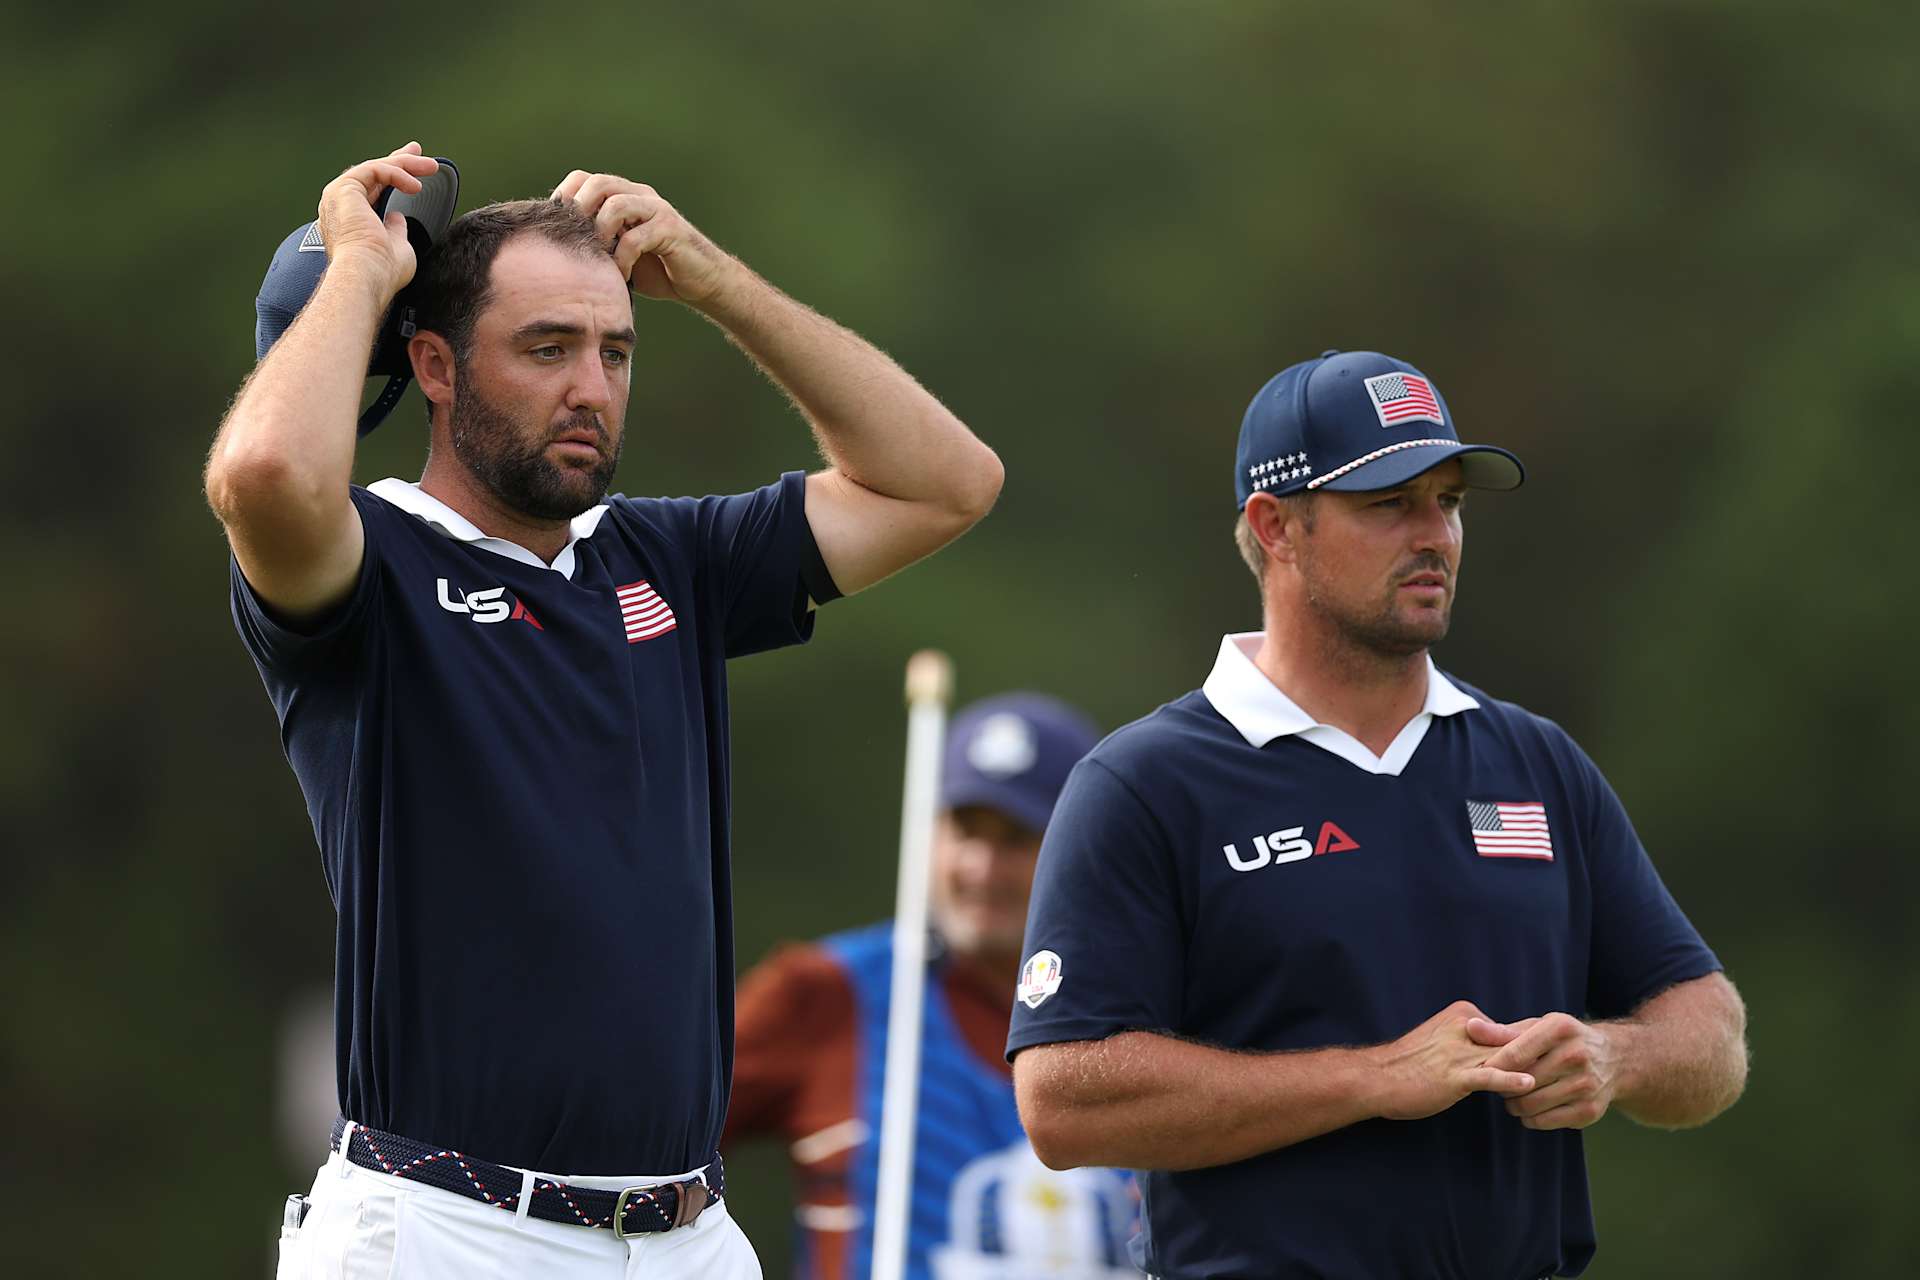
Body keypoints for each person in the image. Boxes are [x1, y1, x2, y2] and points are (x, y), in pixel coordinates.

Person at [205, 142, 1004, 1279]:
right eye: (547, 348)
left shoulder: (664, 557)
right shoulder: (371, 566)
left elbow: (948, 481)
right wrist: (361, 266)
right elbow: (263, 476)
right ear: (434, 366)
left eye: (615, 349)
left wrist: (720, 282)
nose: (592, 385)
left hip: (688, 1237)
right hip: (444, 1229)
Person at [1006, 350, 1748, 1280]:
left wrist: (1615, 1055)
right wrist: (1373, 1077)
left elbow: (1712, 1034)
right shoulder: (1146, 783)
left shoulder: (1537, 762)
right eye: (1389, 503)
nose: (1434, 534)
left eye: (1450, 501)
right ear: (1276, 527)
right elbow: (1062, 1101)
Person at [725, 694, 1138, 1279]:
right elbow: (645, 1142)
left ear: (1081, 848)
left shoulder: (1151, 1010)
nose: (980, 867)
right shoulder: (827, 993)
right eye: (964, 831)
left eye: (1015, 838)